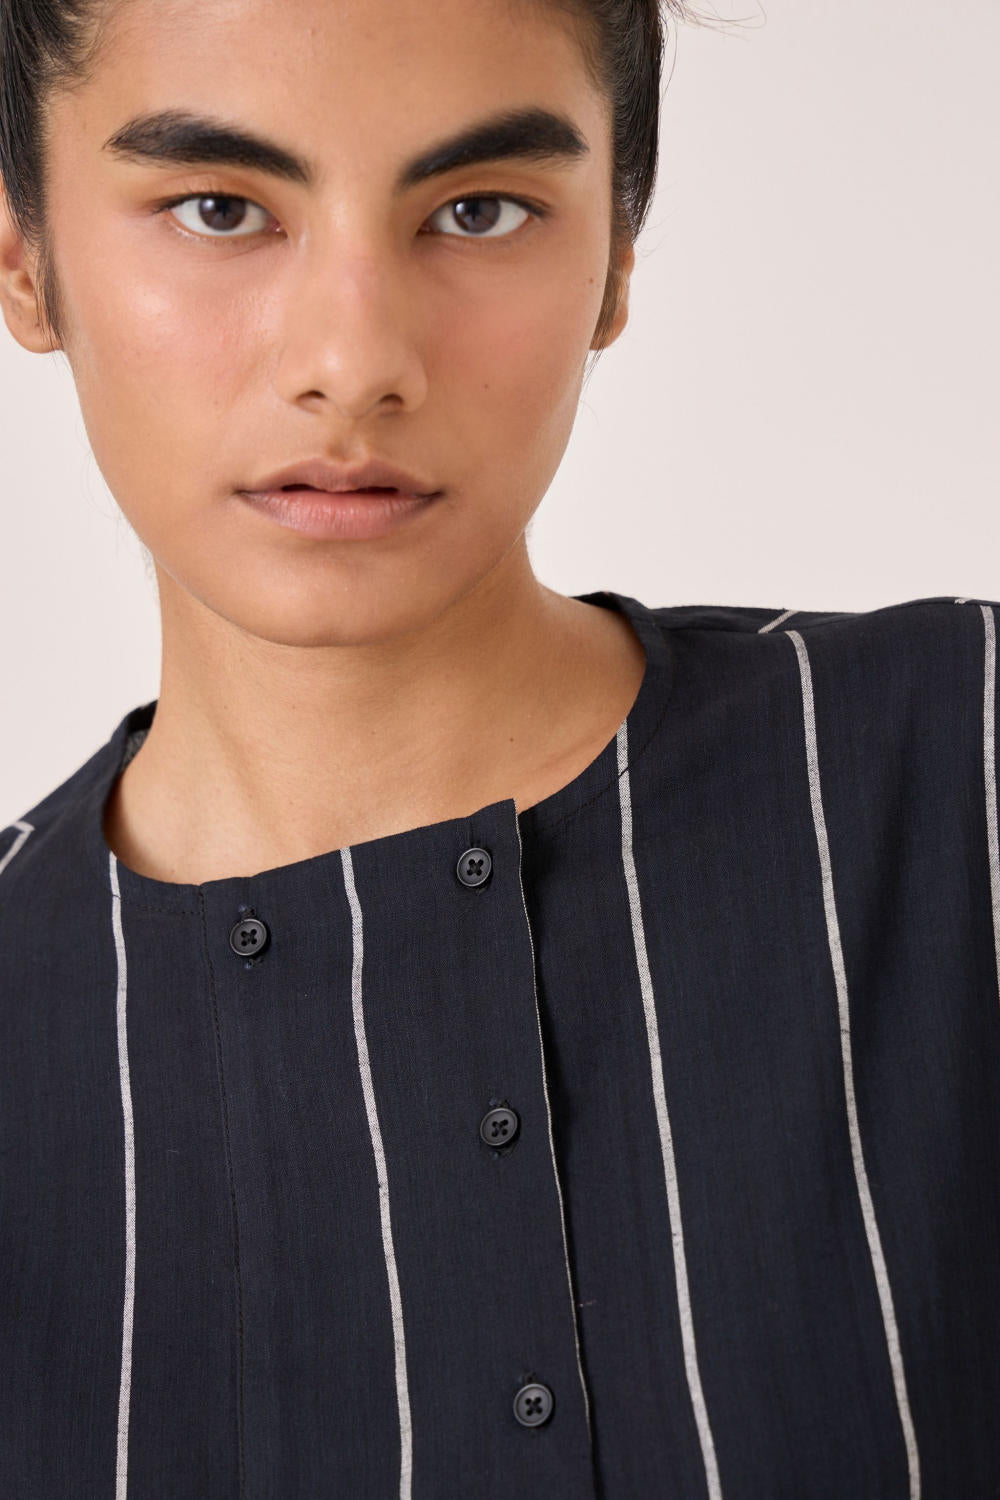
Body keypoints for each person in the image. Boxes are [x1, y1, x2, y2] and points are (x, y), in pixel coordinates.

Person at [1, 0, 997, 1496]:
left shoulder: (959, 783)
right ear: (27, 258)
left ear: (616, 258)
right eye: (219, 209)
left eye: (478, 211)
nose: (353, 363)